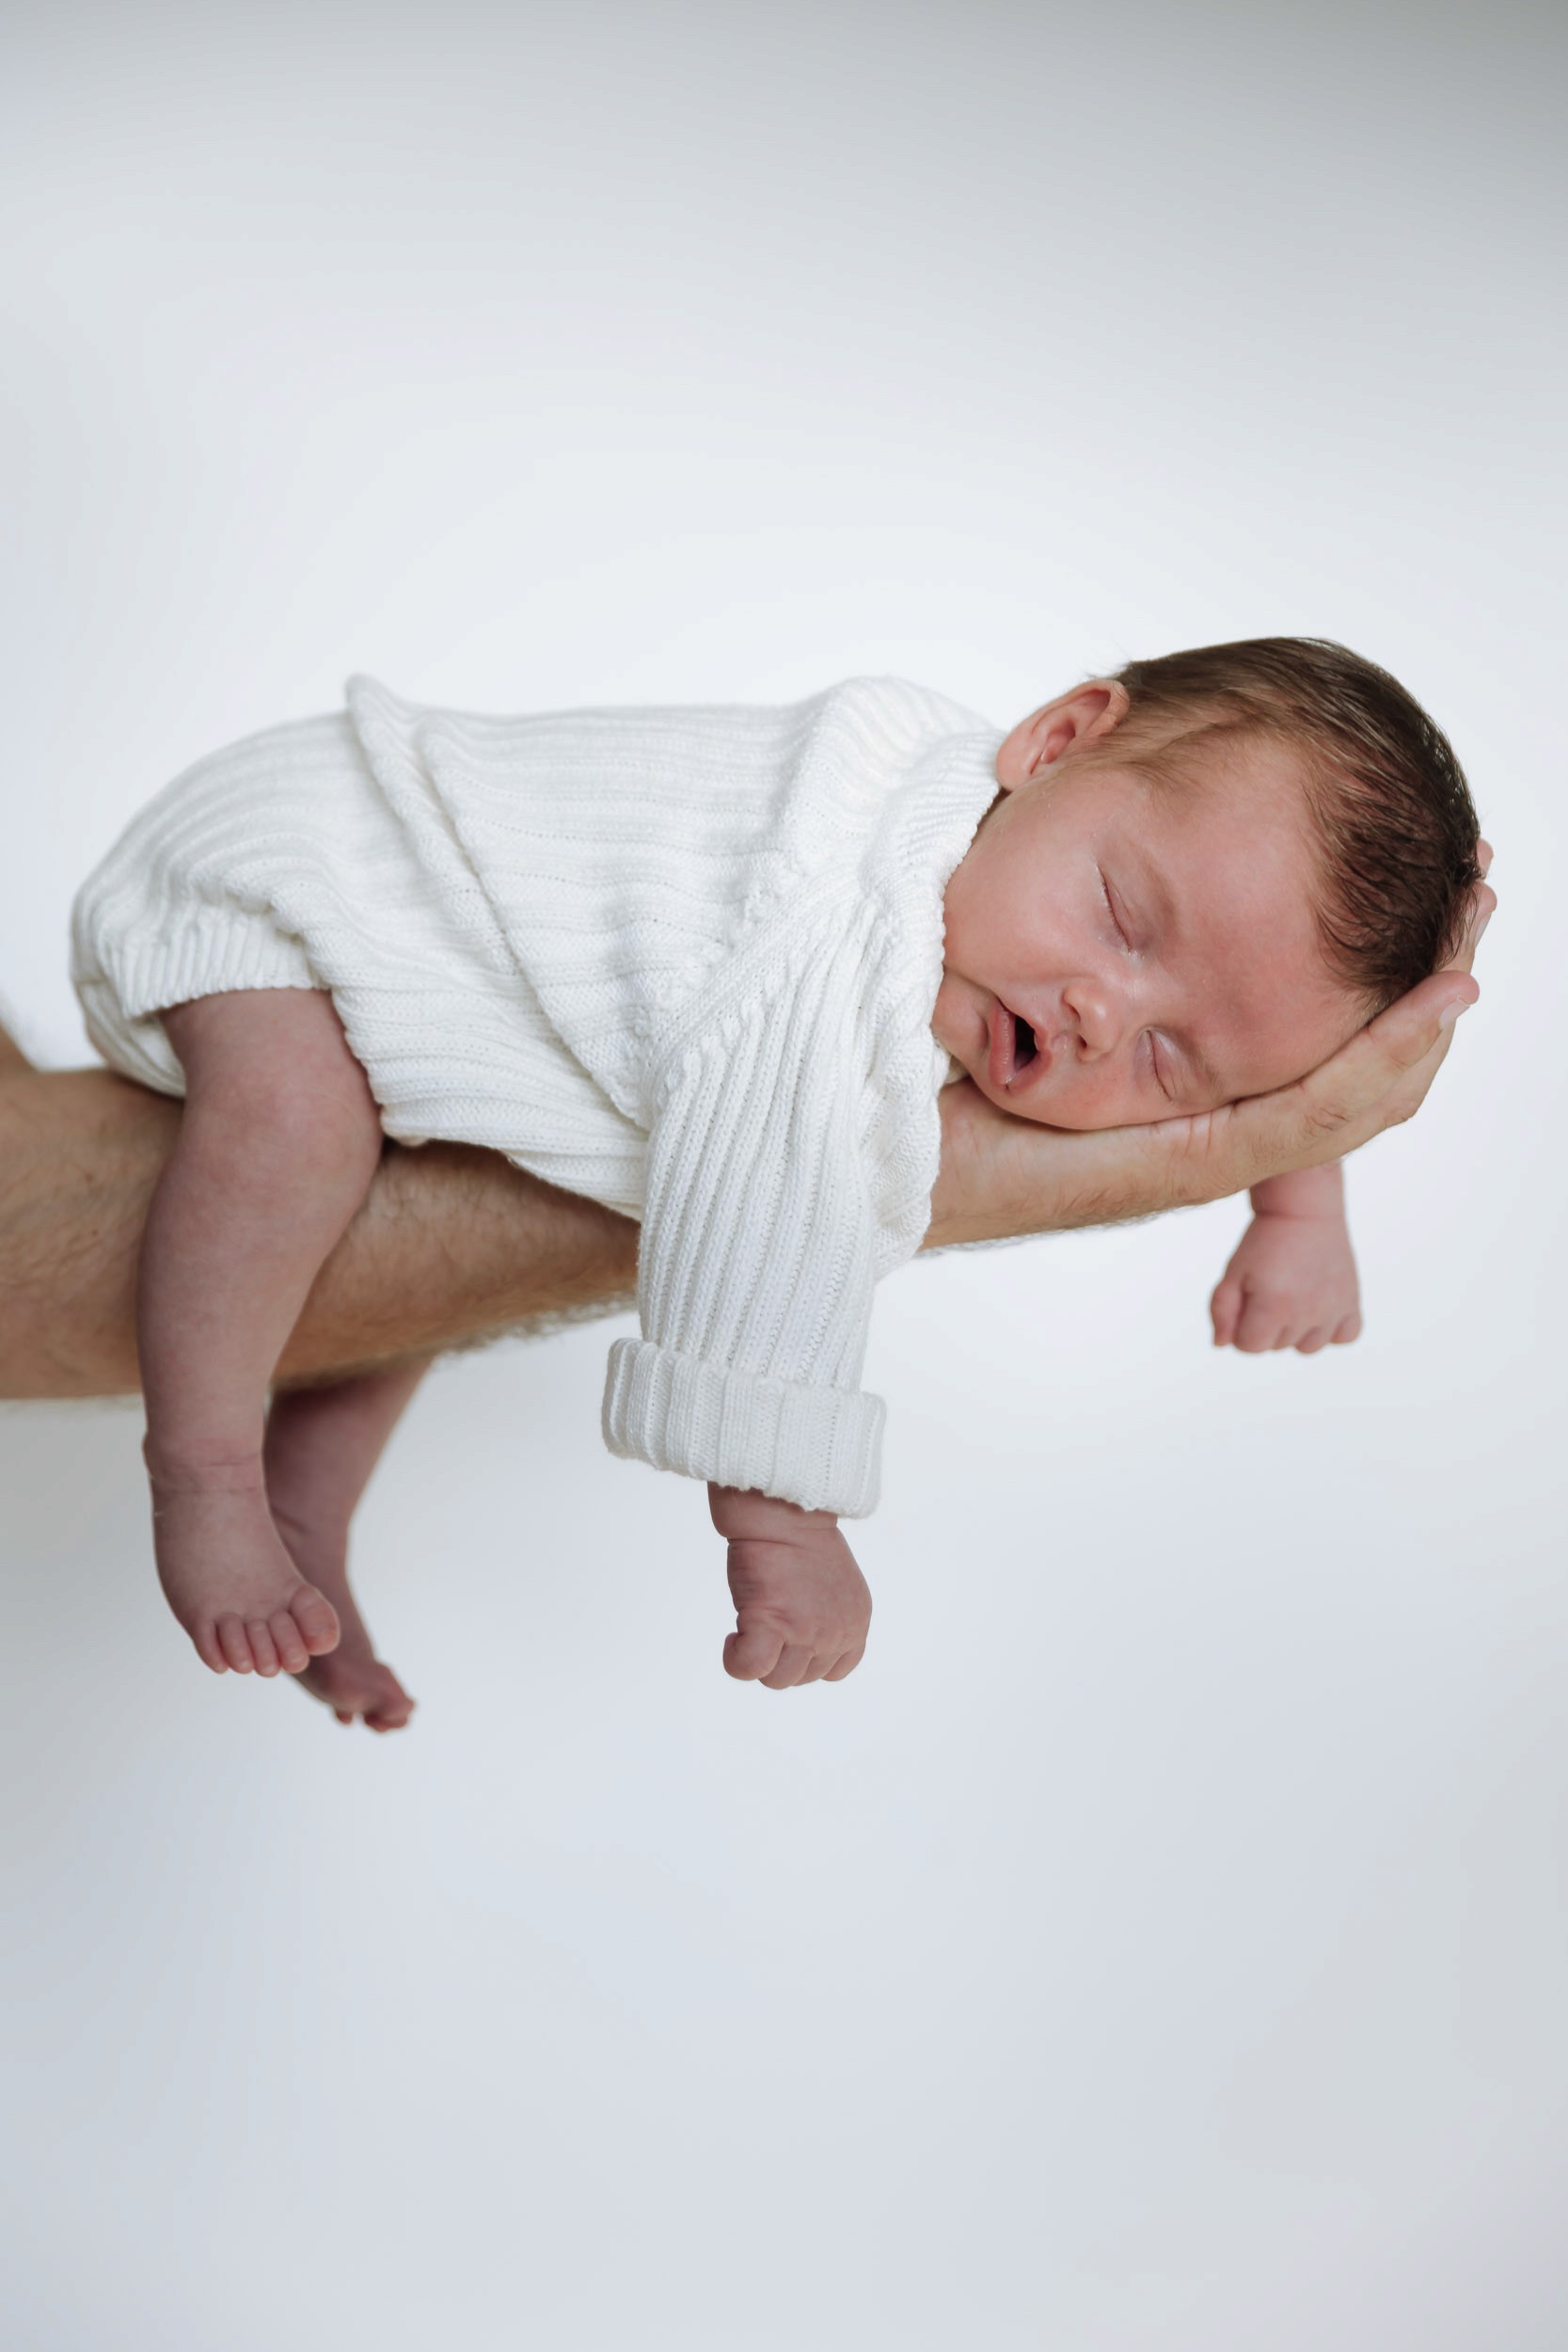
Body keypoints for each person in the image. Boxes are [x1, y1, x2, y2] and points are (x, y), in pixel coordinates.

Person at [59, 638, 1489, 1725]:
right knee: (297, 1134)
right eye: (1122, 919)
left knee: (394, 1239)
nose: (1108, 1015)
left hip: (450, 1004)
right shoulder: (847, 916)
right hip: (302, 876)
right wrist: (780, 1514)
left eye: (1178, 1060)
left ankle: (304, 1515)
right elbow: (767, 1195)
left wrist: (1302, 1193)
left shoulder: (1002, 899)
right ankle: (203, 1472)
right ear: (1056, 741)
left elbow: (1270, 1026)